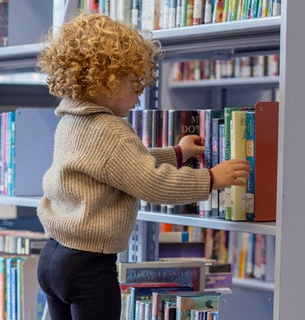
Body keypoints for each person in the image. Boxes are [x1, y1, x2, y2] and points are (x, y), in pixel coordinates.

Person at [35, 13, 251, 320]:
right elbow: (150, 182)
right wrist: (211, 178)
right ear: (103, 80)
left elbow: (119, 166)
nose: (140, 93)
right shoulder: (110, 129)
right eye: (133, 83)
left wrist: (176, 153)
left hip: (54, 259)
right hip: (89, 266)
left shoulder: (72, 120)